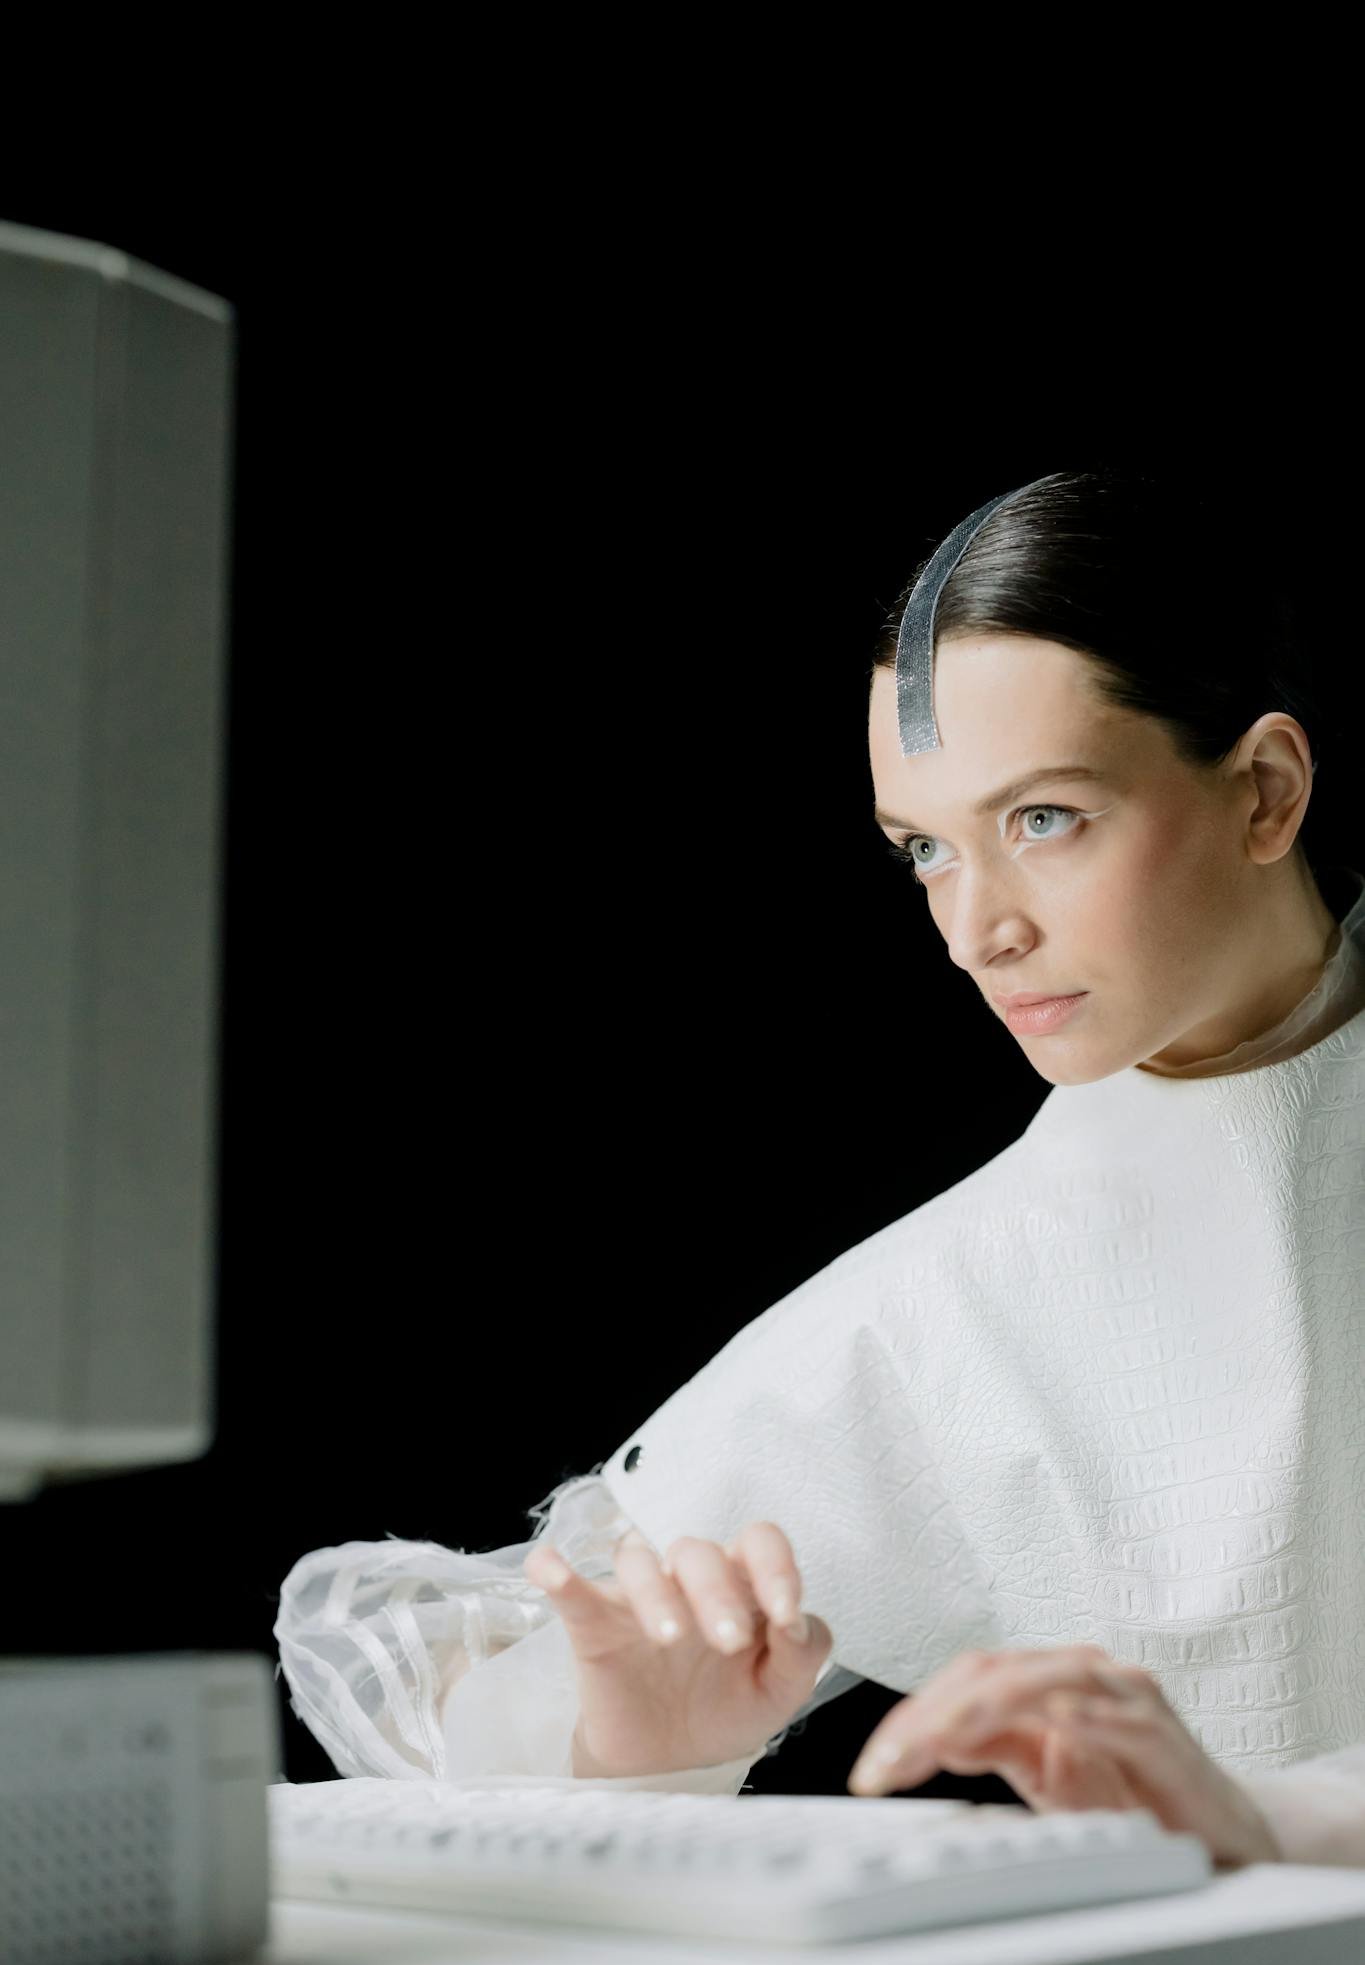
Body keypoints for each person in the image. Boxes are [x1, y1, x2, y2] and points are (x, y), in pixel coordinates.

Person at [275, 469, 1365, 1869]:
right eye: (922, 850)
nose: (976, 933)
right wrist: (625, 1742)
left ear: (1264, 791)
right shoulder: (949, 1307)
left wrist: (1267, 1817)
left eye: (1041, 819)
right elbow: (482, 1686)